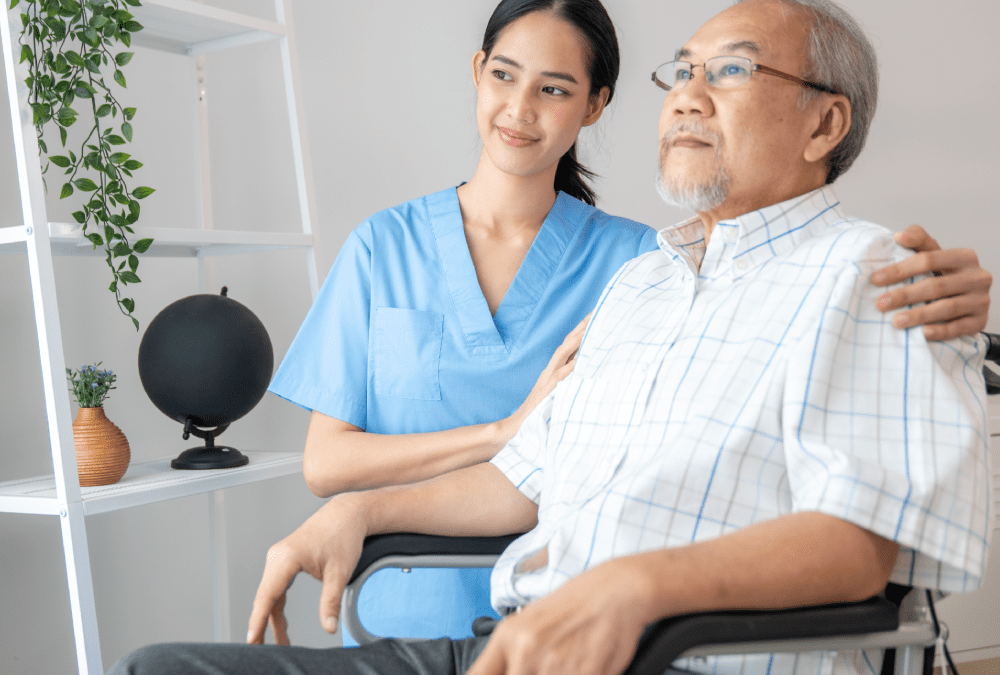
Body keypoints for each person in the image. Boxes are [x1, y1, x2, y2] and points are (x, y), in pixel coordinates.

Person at [110, 0, 993, 673]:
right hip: (512, 640)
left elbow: (860, 541)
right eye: (681, 72)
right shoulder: (646, 283)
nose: (686, 95)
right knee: (160, 667)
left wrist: (634, 586)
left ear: (824, 125)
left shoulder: (877, 277)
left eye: (728, 73)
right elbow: (525, 480)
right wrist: (357, 509)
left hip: (648, 650)